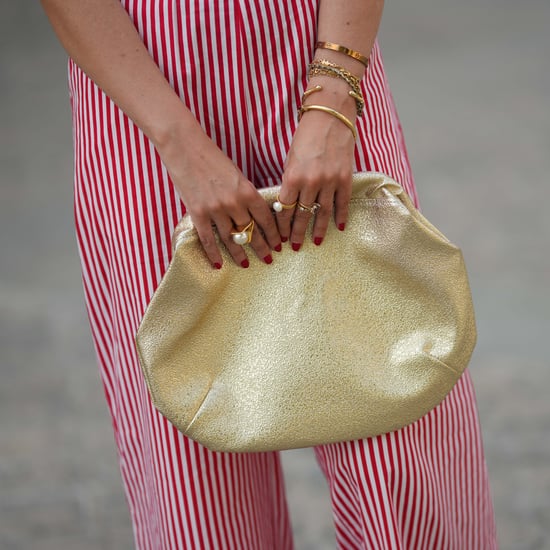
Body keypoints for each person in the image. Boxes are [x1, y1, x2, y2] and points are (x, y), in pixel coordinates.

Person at [41, 0, 497, 548]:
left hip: (316, 61)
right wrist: (179, 144)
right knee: (194, 470)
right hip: (140, 103)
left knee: (401, 441)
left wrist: (333, 97)